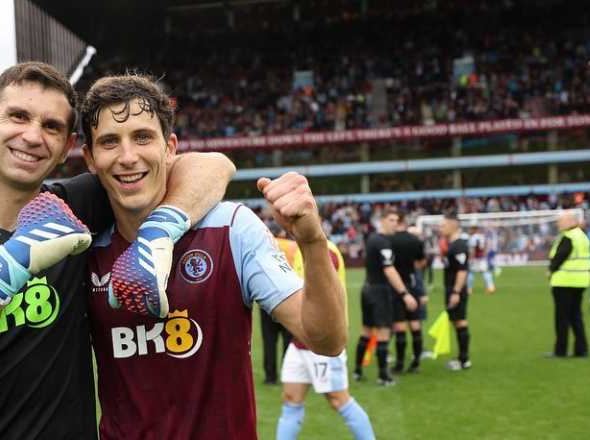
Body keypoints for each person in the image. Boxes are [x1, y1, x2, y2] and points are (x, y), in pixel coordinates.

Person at [0, 62, 234, 439]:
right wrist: (9, 264)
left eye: (51, 127)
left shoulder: (75, 208)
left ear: (68, 146)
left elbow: (211, 166)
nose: (33, 136)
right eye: (18, 116)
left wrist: (160, 230)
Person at [79, 73, 346, 438]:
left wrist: (313, 241)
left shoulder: (231, 228)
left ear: (170, 148)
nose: (128, 157)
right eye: (110, 142)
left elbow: (327, 340)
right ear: (90, 158)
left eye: (143, 137)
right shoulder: (83, 247)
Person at [275, 231, 375, 440]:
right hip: (300, 341)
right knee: (291, 398)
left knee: (339, 399)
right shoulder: (299, 250)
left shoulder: (323, 251)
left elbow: (318, 296)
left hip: (324, 343)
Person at [353, 209, 417, 385]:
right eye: (391, 219)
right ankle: (383, 376)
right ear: (382, 221)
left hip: (367, 289)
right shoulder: (383, 242)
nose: (395, 223)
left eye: (397, 220)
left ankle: (357, 370)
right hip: (379, 292)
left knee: (366, 331)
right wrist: (405, 294)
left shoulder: (373, 239)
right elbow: (389, 270)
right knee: (383, 332)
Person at [547, 211, 590, 358]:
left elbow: (560, 256)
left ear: (569, 222)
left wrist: (550, 270)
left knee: (562, 318)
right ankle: (581, 349)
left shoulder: (569, 237)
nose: (558, 224)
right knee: (576, 316)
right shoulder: (582, 236)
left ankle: (561, 350)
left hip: (564, 281)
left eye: (560, 221)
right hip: (580, 281)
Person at [389, 212, 428, 374]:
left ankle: (399, 363)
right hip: (412, 283)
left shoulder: (389, 241)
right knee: (415, 323)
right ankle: (416, 362)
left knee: (399, 325)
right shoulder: (416, 241)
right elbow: (422, 262)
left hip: (396, 286)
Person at [262, 223, 295, 384]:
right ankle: (288, 373)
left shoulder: (264, 245)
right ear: (282, 232)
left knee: (269, 340)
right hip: (288, 297)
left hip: (266, 297)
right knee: (288, 339)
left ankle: (270, 376)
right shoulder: (292, 246)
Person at [440, 213, 472, 370]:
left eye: (443, 225)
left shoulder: (459, 245)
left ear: (454, 225)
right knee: (456, 321)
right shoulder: (452, 244)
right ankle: (462, 357)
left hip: (455, 290)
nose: (441, 228)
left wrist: (456, 292)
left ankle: (464, 359)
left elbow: (462, 271)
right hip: (451, 289)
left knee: (460, 321)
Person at [468, 226, 496, 294]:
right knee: (485, 272)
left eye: (470, 229)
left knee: (470, 273)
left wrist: (471, 258)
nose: (469, 230)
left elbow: (473, 249)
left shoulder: (474, 237)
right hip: (482, 257)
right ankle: (491, 287)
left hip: (476, 258)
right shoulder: (482, 236)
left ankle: (469, 289)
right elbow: (486, 245)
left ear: (474, 229)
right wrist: (485, 254)